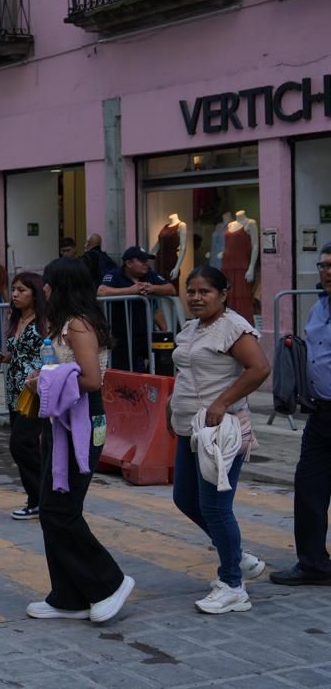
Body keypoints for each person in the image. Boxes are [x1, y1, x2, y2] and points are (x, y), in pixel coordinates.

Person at [24, 257, 133, 623]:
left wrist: (45, 380)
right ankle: (68, 596)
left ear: (63, 286)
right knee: (52, 508)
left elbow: (90, 379)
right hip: (61, 422)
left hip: (83, 419)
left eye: (49, 283)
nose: (46, 290)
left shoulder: (80, 325)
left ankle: (109, 583)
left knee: (61, 511)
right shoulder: (64, 323)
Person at [167, 265, 270, 613]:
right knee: (185, 497)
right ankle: (237, 556)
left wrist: (223, 402)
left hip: (220, 432)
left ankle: (232, 585)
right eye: (191, 291)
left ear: (223, 294)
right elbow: (186, 373)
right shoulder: (192, 327)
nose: (196, 298)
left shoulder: (234, 328)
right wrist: (173, 412)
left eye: (204, 292)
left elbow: (259, 369)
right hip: (189, 429)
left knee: (215, 507)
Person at [270, 242, 331, 587]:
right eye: (322, 265)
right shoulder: (317, 309)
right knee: (309, 488)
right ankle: (312, 564)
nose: (326, 272)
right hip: (321, 415)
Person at [0, 272, 48, 521]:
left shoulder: (44, 322)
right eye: (14, 289)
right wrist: (5, 357)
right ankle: (39, 498)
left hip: (35, 391)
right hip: (14, 390)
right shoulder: (18, 319)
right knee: (24, 446)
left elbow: (51, 353)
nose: (15, 294)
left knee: (21, 443)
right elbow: (19, 353)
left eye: (22, 290)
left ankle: (41, 498)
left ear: (35, 293)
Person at [98, 246, 175, 373]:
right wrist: (131, 290)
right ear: (128, 263)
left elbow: (171, 289)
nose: (146, 264)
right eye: (142, 261)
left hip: (146, 332)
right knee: (124, 372)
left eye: (147, 261)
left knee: (159, 366)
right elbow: (102, 291)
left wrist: (152, 288)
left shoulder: (150, 274)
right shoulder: (114, 275)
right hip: (122, 335)